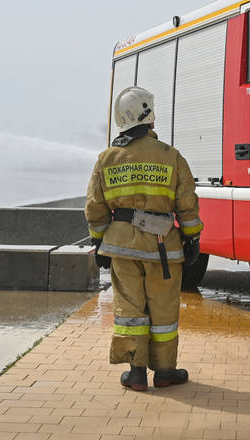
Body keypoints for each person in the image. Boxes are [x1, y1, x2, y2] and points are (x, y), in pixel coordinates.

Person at [85, 86, 204, 391]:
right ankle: (165, 372)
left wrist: (98, 242)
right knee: (163, 311)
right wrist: (191, 239)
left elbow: (95, 206)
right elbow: (187, 204)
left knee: (130, 310)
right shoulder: (171, 156)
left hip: (122, 247)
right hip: (164, 248)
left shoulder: (107, 159)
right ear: (149, 117)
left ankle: (136, 373)